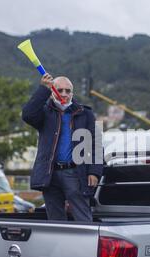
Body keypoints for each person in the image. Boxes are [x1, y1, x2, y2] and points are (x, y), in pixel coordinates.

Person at [22, 74, 103, 222]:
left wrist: (94, 171)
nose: (64, 94)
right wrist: (43, 89)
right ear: (53, 91)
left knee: (83, 217)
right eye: (60, 90)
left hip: (75, 173)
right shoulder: (45, 112)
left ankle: (85, 245)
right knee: (55, 220)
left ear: (72, 93)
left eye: (68, 90)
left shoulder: (85, 114)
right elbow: (27, 115)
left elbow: (96, 143)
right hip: (50, 174)